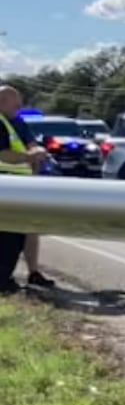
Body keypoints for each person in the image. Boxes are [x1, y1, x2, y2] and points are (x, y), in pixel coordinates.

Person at [0, 86, 48, 296]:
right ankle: (3, 281)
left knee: (25, 230)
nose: (19, 108)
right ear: (2, 102)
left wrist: (37, 151)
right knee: (8, 236)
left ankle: (32, 272)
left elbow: (31, 144)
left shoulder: (17, 122)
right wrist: (29, 157)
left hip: (22, 185)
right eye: (15, 104)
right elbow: (3, 154)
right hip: (5, 184)